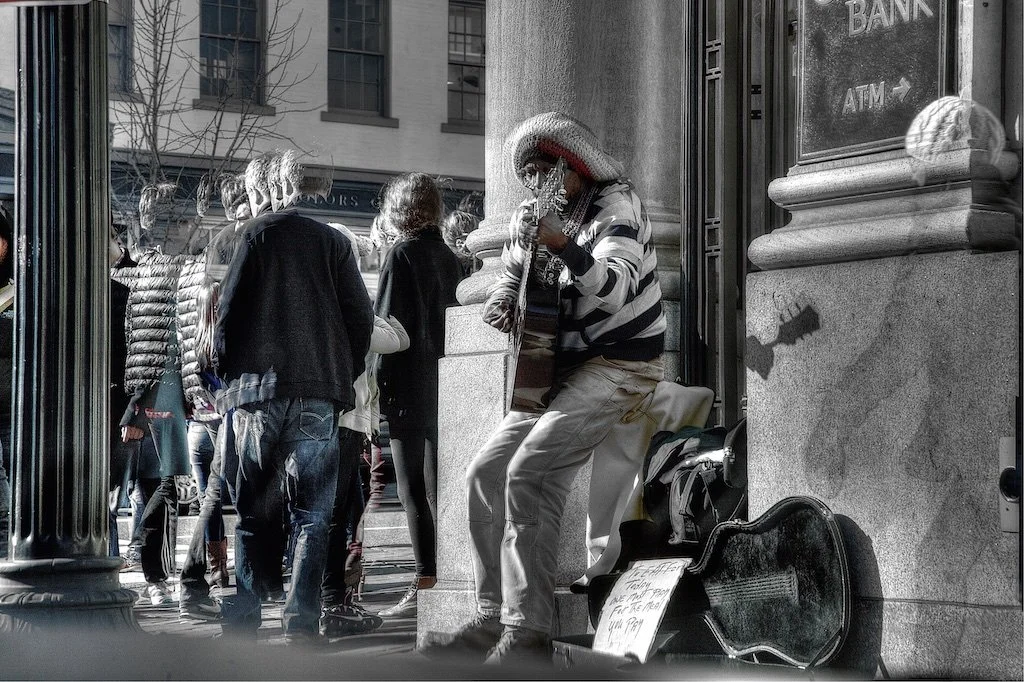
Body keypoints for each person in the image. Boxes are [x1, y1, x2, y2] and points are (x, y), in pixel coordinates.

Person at [420, 111, 667, 665]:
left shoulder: (615, 207)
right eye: (526, 174)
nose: (533, 183)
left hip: (619, 365)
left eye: (542, 170)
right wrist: (507, 298)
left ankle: (526, 631)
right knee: (483, 471)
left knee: (529, 471)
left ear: (572, 167)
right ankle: (490, 618)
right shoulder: (533, 219)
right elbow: (513, 278)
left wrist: (567, 247)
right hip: (555, 370)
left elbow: (616, 289)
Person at [214, 157, 373, 644]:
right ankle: (300, 623)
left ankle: (245, 617)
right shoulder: (333, 243)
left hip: (260, 391)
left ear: (275, 188)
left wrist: (227, 379)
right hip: (318, 393)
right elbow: (360, 319)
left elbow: (229, 315)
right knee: (314, 515)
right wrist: (342, 374)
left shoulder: (257, 235)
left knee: (253, 507)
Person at [373, 173, 462, 618]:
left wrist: (376, 392)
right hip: (447, 385)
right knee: (439, 488)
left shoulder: (400, 255)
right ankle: (447, 574)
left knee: (410, 490)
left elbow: (387, 329)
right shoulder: (451, 259)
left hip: (408, 385)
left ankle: (425, 577)